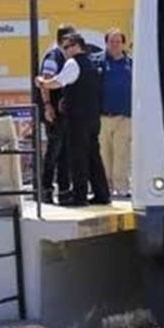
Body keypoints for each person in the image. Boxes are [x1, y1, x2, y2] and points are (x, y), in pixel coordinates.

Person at [39, 33, 110, 206]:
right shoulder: (92, 63)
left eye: (66, 47)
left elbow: (58, 82)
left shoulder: (73, 63)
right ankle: (102, 194)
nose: (65, 51)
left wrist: (42, 82)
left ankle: (79, 196)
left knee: (78, 157)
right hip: (93, 117)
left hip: (77, 118)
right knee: (94, 156)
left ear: (76, 46)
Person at [35, 24, 78, 201]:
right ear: (64, 39)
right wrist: (47, 106)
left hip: (63, 112)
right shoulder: (54, 57)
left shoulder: (65, 57)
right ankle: (46, 188)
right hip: (54, 112)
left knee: (64, 152)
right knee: (54, 151)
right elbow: (45, 82)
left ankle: (63, 189)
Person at [98, 29, 133, 198]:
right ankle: (106, 187)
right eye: (111, 41)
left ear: (123, 44)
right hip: (103, 116)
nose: (115, 45)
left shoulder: (131, 64)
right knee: (104, 154)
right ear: (106, 43)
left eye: (118, 41)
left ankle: (121, 187)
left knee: (122, 154)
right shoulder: (98, 63)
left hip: (124, 117)